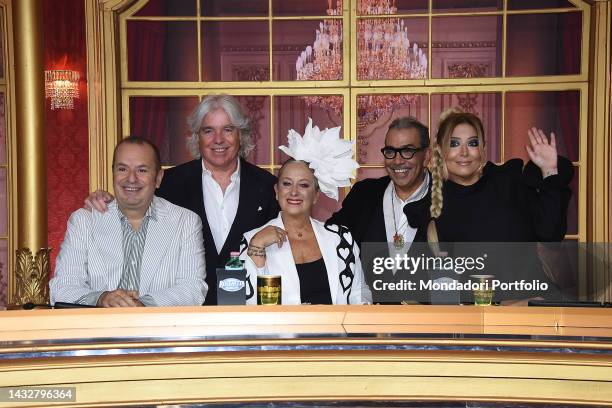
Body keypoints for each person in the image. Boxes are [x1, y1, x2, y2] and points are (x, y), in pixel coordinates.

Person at [85, 95, 279, 305]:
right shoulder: (169, 183)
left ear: (241, 134)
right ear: (197, 137)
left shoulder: (267, 186)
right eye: (208, 130)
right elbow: (134, 207)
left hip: (249, 311)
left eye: (228, 129)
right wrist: (108, 201)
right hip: (183, 314)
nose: (218, 139)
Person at [410, 110, 574, 302]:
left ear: (483, 148)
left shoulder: (510, 182)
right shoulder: (429, 204)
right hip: (471, 319)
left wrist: (549, 170)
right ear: (440, 150)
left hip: (529, 307)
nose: (464, 152)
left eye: (472, 143)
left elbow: (550, 234)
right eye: (454, 144)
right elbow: (422, 281)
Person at [50, 137, 207, 307]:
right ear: (113, 173)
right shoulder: (84, 221)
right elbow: (62, 288)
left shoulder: (186, 222)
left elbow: (193, 288)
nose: (131, 179)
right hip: (98, 330)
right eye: (123, 169)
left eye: (142, 170)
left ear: (159, 177)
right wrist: (102, 298)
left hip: (160, 330)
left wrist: (142, 305)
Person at [242, 119, 372, 305]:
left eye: (303, 185)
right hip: (281, 334)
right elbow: (248, 309)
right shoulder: (252, 240)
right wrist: (257, 249)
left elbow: (359, 293)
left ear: (316, 195)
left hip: (337, 332)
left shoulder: (341, 238)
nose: (294, 192)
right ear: (277, 192)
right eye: (286, 184)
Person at [327, 117, 431, 248]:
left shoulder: (450, 199)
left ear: (426, 156)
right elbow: (330, 238)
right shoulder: (364, 194)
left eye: (407, 151)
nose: (397, 161)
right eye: (390, 151)